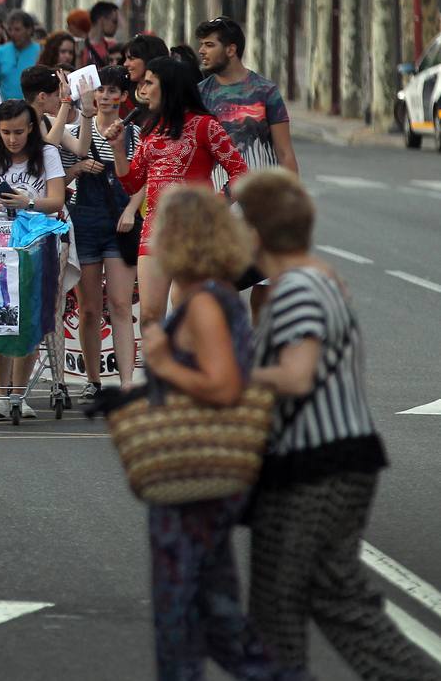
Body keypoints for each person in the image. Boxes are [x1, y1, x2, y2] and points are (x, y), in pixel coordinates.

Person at [232, 169, 435, 677]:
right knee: (338, 599)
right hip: (333, 461)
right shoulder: (311, 280)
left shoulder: (300, 288)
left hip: (316, 468)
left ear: (259, 232)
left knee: (278, 608)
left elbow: (297, 375)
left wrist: (228, 382)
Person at [134, 185, 292, 680]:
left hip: (194, 473)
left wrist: (162, 362)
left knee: (180, 615)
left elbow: (223, 385)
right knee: (220, 616)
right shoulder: (218, 296)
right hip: (214, 472)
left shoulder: (204, 304)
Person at [103, 56, 247, 330]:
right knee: (149, 317)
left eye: (148, 83)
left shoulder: (206, 126)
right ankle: (159, 373)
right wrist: (118, 149)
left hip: (193, 233)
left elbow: (240, 173)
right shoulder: (150, 130)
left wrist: (211, 207)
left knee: (186, 314)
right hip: (154, 230)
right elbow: (132, 184)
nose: (142, 90)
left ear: (167, 86)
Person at [0, 99, 67, 419]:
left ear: (32, 129)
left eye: (19, 132)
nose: (12, 139)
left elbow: (57, 200)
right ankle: (0, 394)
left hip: (35, 240)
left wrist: (29, 202)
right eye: (5, 132)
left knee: (29, 319)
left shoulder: (47, 154)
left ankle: (19, 393)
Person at [59, 67, 143, 394]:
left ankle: (125, 382)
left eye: (113, 91)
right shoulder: (77, 131)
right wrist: (78, 167)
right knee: (90, 307)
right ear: (92, 93)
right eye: (101, 90)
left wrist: (131, 210)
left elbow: (143, 177)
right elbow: (58, 179)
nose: (106, 97)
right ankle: (93, 380)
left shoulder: (133, 134)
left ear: (124, 97)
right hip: (85, 220)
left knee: (121, 305)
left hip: (120, 221)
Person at [196, 15, 297, 177]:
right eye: (201, 45)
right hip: (213, 198)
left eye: (209, 45)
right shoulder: (198, 93)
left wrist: (292, 198)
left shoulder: (266, 91)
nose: (201, 51)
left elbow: (284, 152)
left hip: (259, 195)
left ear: (230, 50)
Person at [0, 10, 40, 102]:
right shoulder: (0, 52)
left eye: (17, 30)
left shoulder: (39, 51)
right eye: (10, 29)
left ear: (29, 30)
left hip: (32, 108)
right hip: (5, 109)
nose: (12, 33)